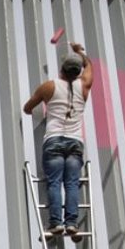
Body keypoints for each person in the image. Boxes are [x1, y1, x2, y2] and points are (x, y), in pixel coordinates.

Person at [22, 42, 94, 239]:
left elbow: (27, 108)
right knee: (71, 183)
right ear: (78, 72)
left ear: (62, 69)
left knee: (54, 183)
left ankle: (56, 224)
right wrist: (80, 51)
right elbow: (90, 68)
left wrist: (38, 108)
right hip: (75, 141)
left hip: (53, 140)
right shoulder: (84, 86)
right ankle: (71, 224)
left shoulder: (49, 86)